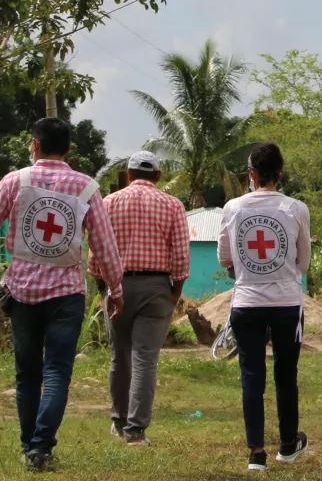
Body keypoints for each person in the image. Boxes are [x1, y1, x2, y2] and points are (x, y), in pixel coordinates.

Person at [0, 117, 124, 473]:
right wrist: (116, 289)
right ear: (69, 150)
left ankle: (29, 447)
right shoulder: (86, 187)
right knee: (57, 372)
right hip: (66, 295)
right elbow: (105, 247)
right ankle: (41, 448)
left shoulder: (15, 181)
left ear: (33, 145)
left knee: (27, 374)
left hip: (22, 292)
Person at [217, 143, 313, 473]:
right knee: (286, 376)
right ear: (281, 174)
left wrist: (245, 270)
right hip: (287, 303)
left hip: (246, 303)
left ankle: (256, 453)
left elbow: (225, 259)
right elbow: (304, 262)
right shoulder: (296, 208)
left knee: (251, 377)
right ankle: (287, 445)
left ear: (251, 175)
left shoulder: (231, 208)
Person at [95, 150, 190, 447]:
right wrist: (174, 292)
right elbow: (181, 256)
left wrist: (105, 288)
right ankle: (136, 432)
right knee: (145, 360)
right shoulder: (173, 205)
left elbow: (95, 252)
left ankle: (119, 421)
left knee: (119, 357)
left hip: (117, 286)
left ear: (129, 174)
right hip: (156, 288)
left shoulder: (108, 203)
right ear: (159, 176)